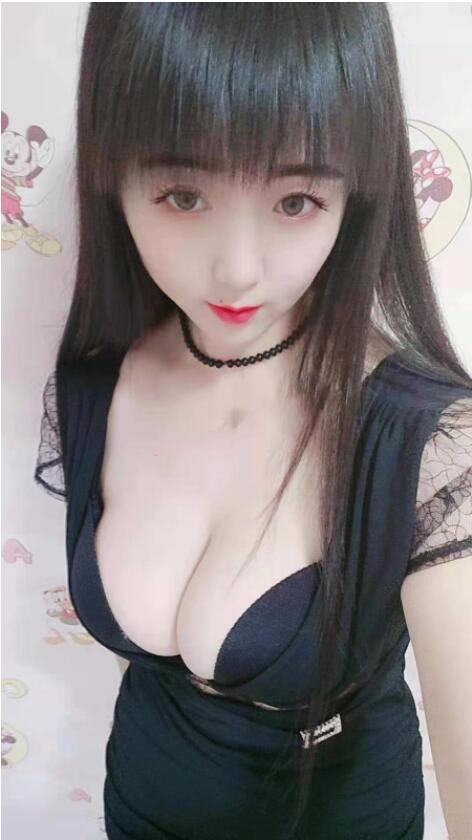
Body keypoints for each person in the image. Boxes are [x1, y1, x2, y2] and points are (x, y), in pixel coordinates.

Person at [34, 4, 472, 839]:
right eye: (184, 194)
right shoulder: (96, 380)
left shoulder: (430, 443)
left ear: (356, 193)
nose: (238, 270)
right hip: (137, 807)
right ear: (111, 177)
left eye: (296, 199)